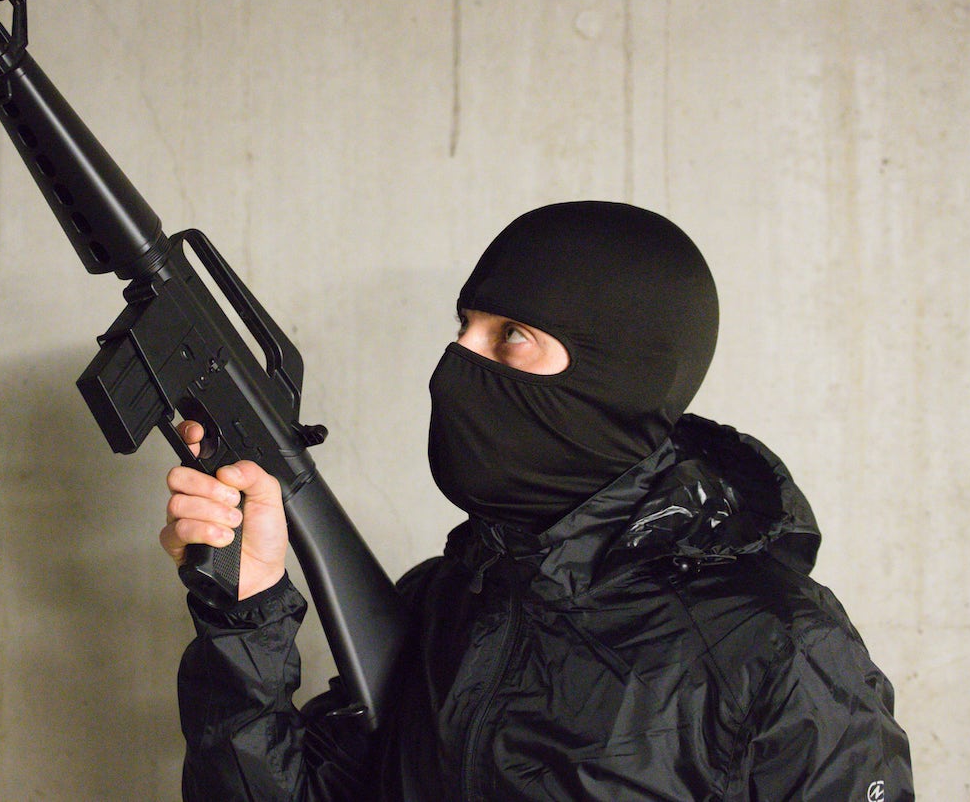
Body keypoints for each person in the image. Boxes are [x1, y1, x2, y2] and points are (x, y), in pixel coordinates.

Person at [161, 201, 914, 801]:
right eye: (465, 327)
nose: (456, 363)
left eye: (511, 335)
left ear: (618, 376)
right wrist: (246, 610)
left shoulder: (777, 647)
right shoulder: (444, 601)